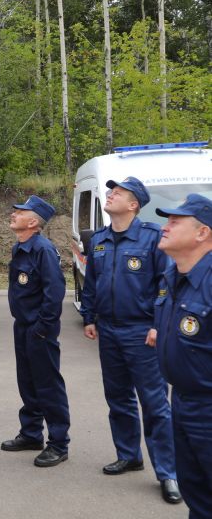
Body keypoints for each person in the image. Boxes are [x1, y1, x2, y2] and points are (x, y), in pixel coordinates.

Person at [79, 177, 181, 503]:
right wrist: (89, 317)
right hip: (108, 330)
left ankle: (168, 472)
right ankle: (128, 455)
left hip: (142, 332)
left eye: (118, 193)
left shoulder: (152, 237)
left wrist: (158, 325)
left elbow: (167, 284)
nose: (110, 195)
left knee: (155, 404)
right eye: (111, 191)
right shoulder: (99, 239)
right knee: (118, 398)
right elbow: (91, 283)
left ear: (134, 204)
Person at [151, 193, 212, 517]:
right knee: (196, 494)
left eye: (175, 221)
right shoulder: (172, 277)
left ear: (202, 233)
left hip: (208, 407)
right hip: (182, 401)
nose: (165, 226)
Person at [1, 195, 71, 467]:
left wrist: (42, 328)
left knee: (48, 386)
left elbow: (55, 293)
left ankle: (58, 444)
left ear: (33, 222)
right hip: (23, 326)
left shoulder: (43, 250)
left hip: (39, 329)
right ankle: (31, 434)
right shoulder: (19, 247)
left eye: (20, 212)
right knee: (27, 382)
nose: (13, 214)